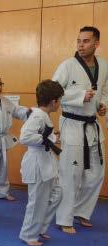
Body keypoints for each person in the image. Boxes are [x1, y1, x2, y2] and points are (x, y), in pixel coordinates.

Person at [53, 26, 108, 234]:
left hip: (93, 126)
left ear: (96, 44)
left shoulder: (104, 65)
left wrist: (103, 104)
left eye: (85, 41)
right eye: (78, 41)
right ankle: (63, 218)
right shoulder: (67, 66)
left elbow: (105, 89)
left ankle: (81, 212)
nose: (80, 45)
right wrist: (78, 97)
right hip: (73, 125)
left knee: (96, 173)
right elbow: (51, 91)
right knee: (70, 174)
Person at [19, 80, 64, 246]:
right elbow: (25, 137)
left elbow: (41, 136)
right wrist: (48, 139)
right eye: (60, 100)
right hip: (37, 163)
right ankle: (29, 235)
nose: (60, 103)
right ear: (54, 101)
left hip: (46, 161)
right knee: (37, 201)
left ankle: (40, 228)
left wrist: (50, 138)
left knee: (57, 194)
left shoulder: (43, 115)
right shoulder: (38, 115)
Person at [0, 75, 30, 201]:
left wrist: (30, 112)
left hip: (2, 138)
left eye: (1, 84)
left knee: (3, 166)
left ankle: (2, 192)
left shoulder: (5, 101)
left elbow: (16, 111)